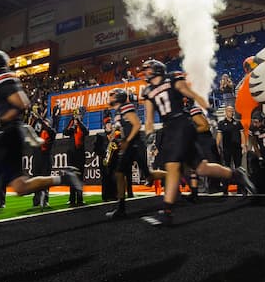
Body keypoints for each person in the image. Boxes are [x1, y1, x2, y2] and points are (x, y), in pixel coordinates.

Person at [0, 50, 82, 256]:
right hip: (2, 135)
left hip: (6, 134)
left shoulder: (3, 79)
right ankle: (62, 177)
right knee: (20, 187)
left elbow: (22, 104)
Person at [139, 60, 255, 226]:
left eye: (148, 69)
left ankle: (167, 211)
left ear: (157, 69)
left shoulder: (172, 79)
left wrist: (208, 109)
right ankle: (236, 174)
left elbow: (192, 94)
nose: (145, 72)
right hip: (170, 128)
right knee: (202, 168)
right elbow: (149, 118)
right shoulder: (148, 91)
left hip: (181, 124)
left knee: (172, 166)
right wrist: (149, 133)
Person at [105, 88, 147, 219]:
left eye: (112, 95)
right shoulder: (118, 111)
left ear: (118, 97)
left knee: (149, 176)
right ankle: (121, 208)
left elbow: (137, 125)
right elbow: (121, 128)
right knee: (119, 173)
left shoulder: (126, 107)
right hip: (129, 146)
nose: (110, 97)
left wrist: (127, 140)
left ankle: (172, 178)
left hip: (135, 145)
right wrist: (113, 135)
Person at [216, 105, 245, 195]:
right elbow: (219, 135)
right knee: (226, 168)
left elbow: (242, 134)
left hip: (237, 148)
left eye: (232, 111)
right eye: (229, 111)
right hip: (227, 149)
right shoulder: (221, 123)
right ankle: (225, 189)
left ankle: (241, 188)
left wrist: (244, 145)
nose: (231, 112)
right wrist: (217, 146)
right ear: (225, 112)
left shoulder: (238, 123)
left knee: (238, 168)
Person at [63, 108, 87, 207]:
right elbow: (65, 132)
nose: (77, 117)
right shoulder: (71, 126)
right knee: (72, 177)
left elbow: (86, 132)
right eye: (76, 115)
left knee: (80, 177)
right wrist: (72, 122)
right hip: (72, 155)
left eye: (78, 115)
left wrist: (79, 122)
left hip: (80, 154)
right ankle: (72, 199)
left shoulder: (82, 126)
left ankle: (80, 199)